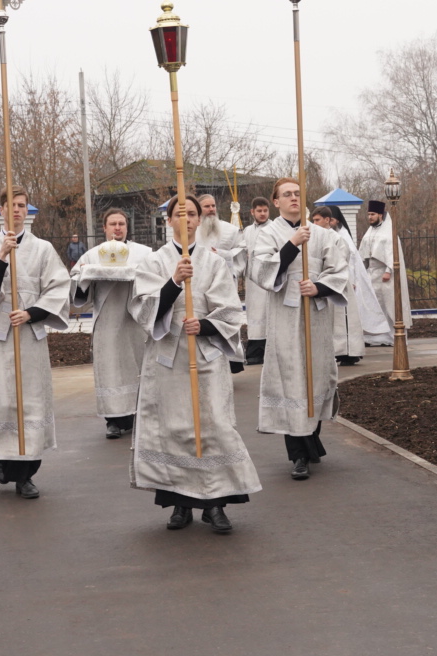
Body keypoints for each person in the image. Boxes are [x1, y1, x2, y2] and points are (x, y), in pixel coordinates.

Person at [132, 194, 260, 533]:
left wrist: (202, 325)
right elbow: (142, 309)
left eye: (192, 214)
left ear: (199, 221)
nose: (187, 219)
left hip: (205, 356)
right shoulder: (153, 261)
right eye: (180, 213)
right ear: (168, 220)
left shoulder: (215, 261)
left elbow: (231, 309)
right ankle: (180, 505)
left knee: (213, 427)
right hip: (167, 360)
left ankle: (216, 505)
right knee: (174, 431)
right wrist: (174, 283)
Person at [0, 190, 71, 499]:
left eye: (23, 206)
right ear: (2, 210)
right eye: (13, 206)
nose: (18, 211)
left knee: (31, 402)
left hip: (30, 336)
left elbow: (59, 287)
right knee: (4, 399)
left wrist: (32, 313)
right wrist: (1, 258)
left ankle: (26, 476)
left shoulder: (43, 249)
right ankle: (5, 461)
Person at [248, 177, 349, 480]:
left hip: (315, 318)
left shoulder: (322, 234)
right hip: (284, 317)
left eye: (297, 193)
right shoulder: (267, 234)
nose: (293, 198)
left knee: (315, 379)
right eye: (286, 195)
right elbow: (260, 270)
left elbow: (340, 270)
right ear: (276, 202)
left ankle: (311, 438)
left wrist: (318, 286)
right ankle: (299, 456)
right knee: (291, 381)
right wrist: (292, 245)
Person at [69, 208, 150, 440]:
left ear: (127, 227)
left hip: (135, 320)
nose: (117, 228)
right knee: (110, 369)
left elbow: (156, 276)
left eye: (121, 224)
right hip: (107, 320)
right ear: (104, 228)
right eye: (112, 224)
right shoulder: (92, 256)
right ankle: (112, 421)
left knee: (136, 366)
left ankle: (137, 415)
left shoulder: (143, 253)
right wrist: (84, 277)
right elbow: (76, 283)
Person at [311, 205, 390, 363]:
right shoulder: (316, 237)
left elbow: (347, 261)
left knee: (344, 318)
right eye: (312, 220)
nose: (314, 223)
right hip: (324, 283)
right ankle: (337, 351)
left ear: (327, 220)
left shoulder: (337, 238)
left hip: (339, 282)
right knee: (333, 319)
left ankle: (349, 352)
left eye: (317, 220)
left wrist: (350, 280)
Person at [357, 199, 409, 336]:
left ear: (380, 214)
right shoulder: (369, 232)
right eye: (368, 214)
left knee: (389, 305)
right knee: (373, 305)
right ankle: (375, 336)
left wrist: (388, 271)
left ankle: (391, 336)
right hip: (371, 274)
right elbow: (363, 253)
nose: (370, 217)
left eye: (372, 214)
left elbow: (393, 253)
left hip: (385, 275)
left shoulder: (389, 233)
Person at [242, 197, 273, 364]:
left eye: (265, 211)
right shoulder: (247, 231)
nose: (262, 214)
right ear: (252, 212)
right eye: (259, 211)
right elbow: (241, 250)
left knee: (267, 314)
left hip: (268, 279)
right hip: (252, 281)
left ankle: (267, 351)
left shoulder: (275, 228)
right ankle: (255, 352)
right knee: (254, 315)